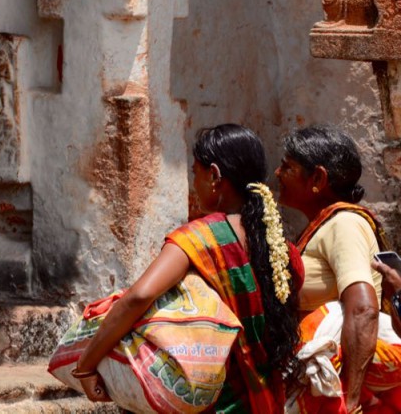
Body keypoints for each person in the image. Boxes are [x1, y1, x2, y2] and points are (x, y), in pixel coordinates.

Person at [75, 124, 302, 414]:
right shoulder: (284, 251)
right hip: (266, 400)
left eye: (195, 172)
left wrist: (85, 366)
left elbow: (138, 297)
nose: (193, 183)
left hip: (215, 402)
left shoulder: (198, 239)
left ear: (215, 176)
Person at [277, 124, 387, 414]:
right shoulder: (323, 227)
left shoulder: (344, 225)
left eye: (287, 166)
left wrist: (349, 403)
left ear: (317, 178)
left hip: (337, 393)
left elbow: (362, 309)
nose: (278, 174)